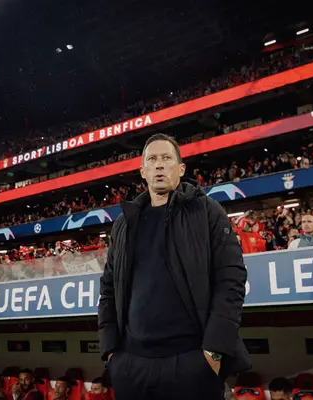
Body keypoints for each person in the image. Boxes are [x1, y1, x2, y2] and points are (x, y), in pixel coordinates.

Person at [99, 133, 250, 400]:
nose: (159, 165)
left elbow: (231, 279)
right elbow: (108, 288)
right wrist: (111, 353)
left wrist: (213, 352)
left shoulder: (207, 211)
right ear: (142, 171)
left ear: (181, 169)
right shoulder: (124, 223)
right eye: (152, 160)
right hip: (131, 366)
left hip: (192, 363)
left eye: (166, 158)